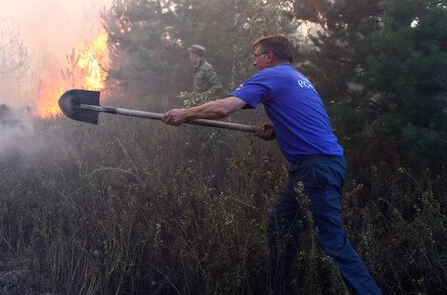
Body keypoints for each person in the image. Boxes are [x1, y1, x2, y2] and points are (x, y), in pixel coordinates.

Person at [162, 35, 381, 294]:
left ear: (269, 56)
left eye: (256, 56)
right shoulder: (299, 79)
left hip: (315, 168)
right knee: (280, 227)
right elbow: (306, 120)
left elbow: (225, 108)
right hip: (316, 166)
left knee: (333, 244)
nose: (254, 63)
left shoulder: (271, 76)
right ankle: (279, 286)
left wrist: (184, 113)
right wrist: (276, 129)